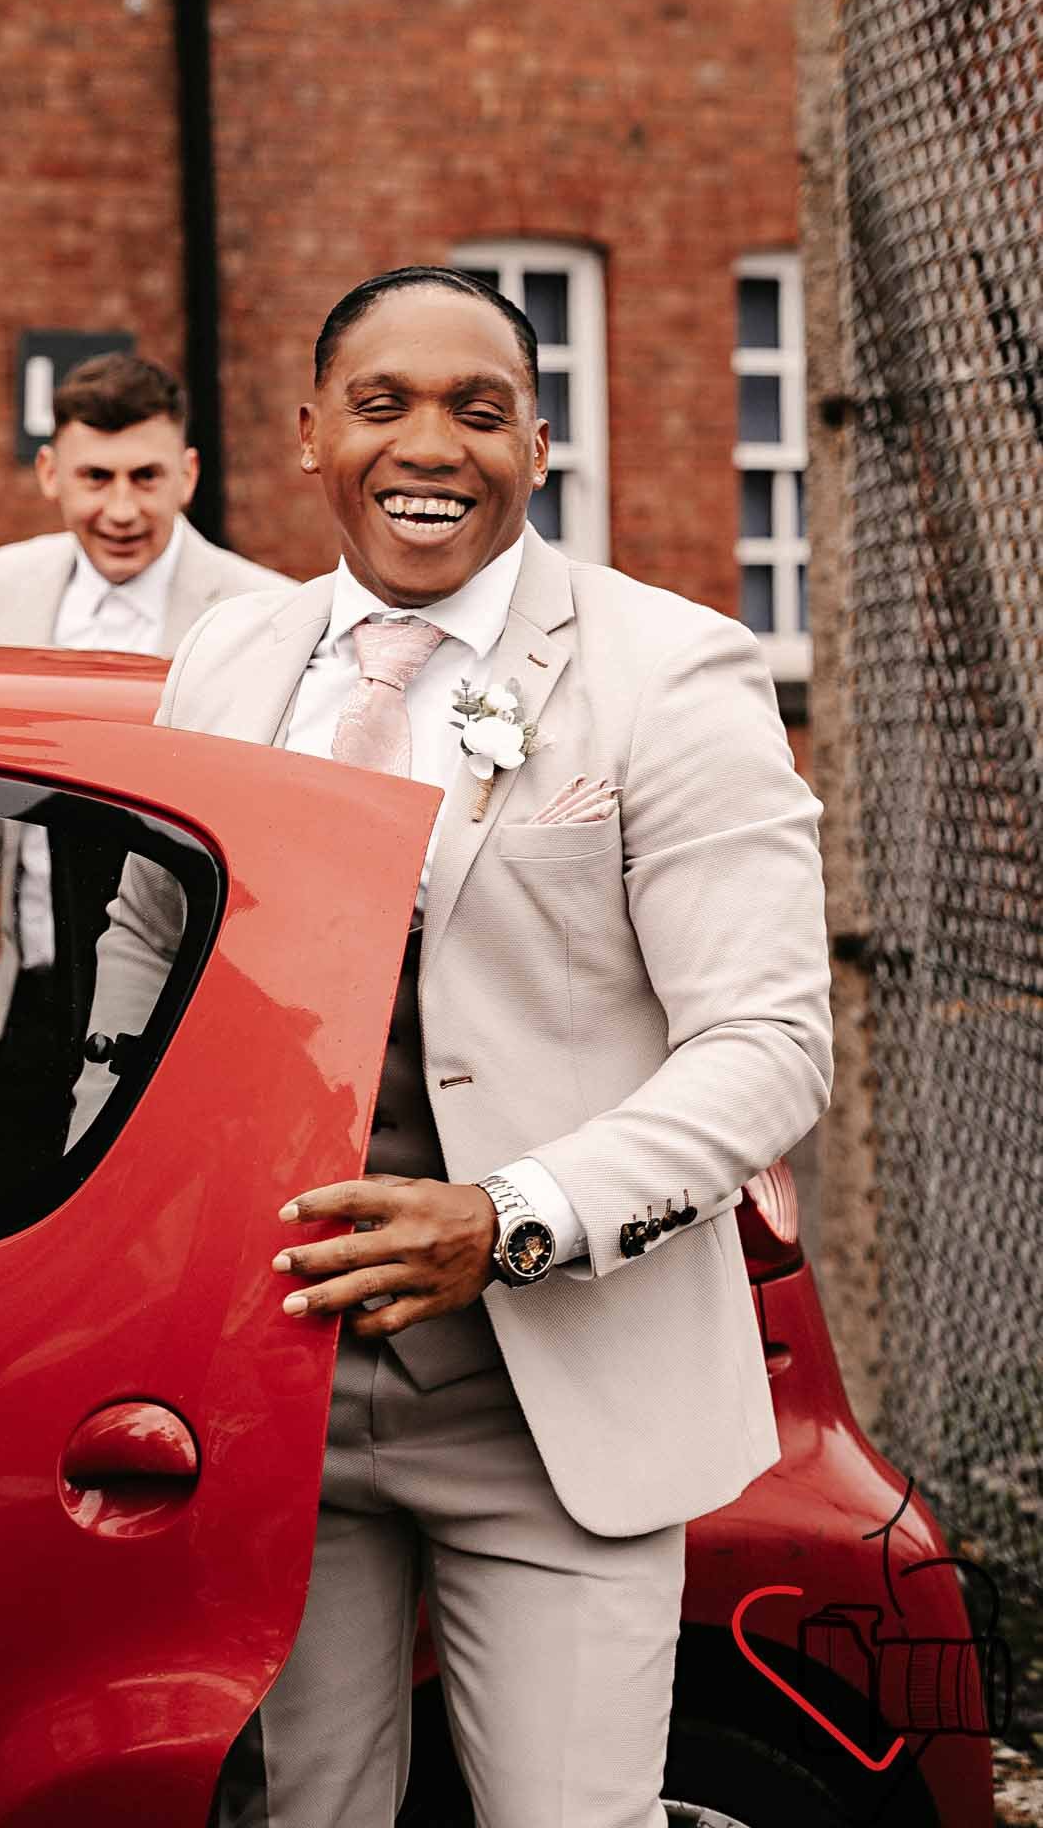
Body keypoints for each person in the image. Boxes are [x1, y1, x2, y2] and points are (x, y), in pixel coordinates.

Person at [141, 267, 833, 1828]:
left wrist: (508, 1216)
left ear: (537, 440)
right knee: (301, 1814)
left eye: (475, 409)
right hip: (270, 1390)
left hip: (551, 1404)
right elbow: (140, 970)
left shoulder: (670, 670)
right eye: (382, 405)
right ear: (312, 434)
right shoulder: (224, 667)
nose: (428, 446)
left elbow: (769, 1044)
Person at [0, 351, 292, 1164]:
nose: (120, 508)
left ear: (187, 473)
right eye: (95, 477)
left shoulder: (264, 610)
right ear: (49, 473)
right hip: (35, 982)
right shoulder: (9, 581)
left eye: (145, 477)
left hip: (175, 998)